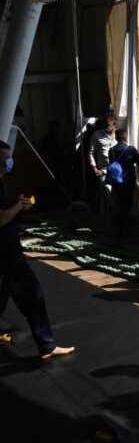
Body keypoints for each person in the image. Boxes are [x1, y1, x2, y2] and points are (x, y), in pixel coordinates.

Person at [0, 140, 75, 359]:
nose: (9, 162)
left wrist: (18, 204)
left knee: (6, 294)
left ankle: (46, 344)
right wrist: (18, 206)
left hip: (7, 250)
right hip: (6, 253)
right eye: (5, 159)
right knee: (33, 295)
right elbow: (2, 218)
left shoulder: (1, 182)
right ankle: (47, 345)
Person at [107, 129, 139, 236]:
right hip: (128, 180)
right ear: (126, 138)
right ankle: (126, 230)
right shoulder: (131, 149)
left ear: (116, 138)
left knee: (118, 203)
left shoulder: (111, 150)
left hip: (116, 180)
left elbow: (111, 161)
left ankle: (117, 228)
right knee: (127, 204)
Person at [88, 114, 117, 181]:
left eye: (109, 125)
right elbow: (91, 152)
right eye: (106, 124)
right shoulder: (97, 134)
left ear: (114, 125)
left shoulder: (119, 135)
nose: (106, 126)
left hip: (116, 171)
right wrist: (94, 168)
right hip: (102, 171)